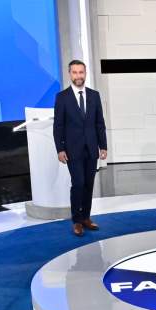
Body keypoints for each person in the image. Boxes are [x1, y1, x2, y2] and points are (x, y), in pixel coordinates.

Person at [53, 59, 107, 236]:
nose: (78, 76)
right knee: (78, 183)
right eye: (75, 72)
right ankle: (76, 220)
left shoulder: (94, 95)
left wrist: (103, 146)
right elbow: (58, 126)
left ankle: (86, 218)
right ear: (70, 74)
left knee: (89, 184)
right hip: (72, 150)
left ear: (85, 73)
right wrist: (60, 149)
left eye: (81, 72)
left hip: (91, 148)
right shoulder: (62, 97)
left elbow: (100, 123)